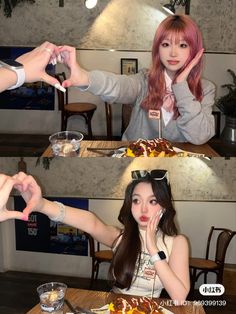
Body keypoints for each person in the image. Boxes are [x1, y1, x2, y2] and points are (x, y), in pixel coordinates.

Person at [0, 170, 190, 304]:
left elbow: (179, 296)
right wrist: (41, 205)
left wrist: (153, 249)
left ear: (164, 206)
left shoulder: (177, 243)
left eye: (153, 201)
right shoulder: (120, 237)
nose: (143, 209)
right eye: (136, 200)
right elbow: (90, 222)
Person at [58, 14, 215, 145]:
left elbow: (200, 137)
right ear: (157, 49)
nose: (173, 53)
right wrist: (85, 77)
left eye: (182, 45)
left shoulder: (206, 89)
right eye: (166, 44)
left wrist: (181, 87)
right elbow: (119, 86)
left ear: (194, 50)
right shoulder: (144, 81)